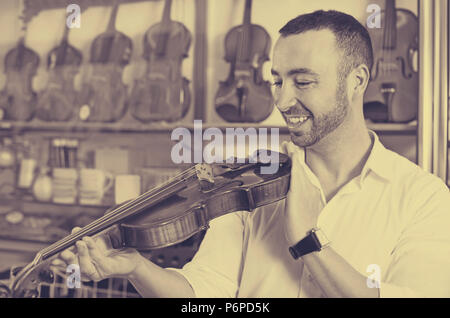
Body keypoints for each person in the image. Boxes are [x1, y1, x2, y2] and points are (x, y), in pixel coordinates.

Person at [52, 10, 450, 298]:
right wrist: (138, 267)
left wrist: (307, 241)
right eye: (277, 80)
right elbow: (205, 297)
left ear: (357, 81)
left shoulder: (425, 199)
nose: (283, 99)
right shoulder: (250, 185)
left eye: (303, 81)